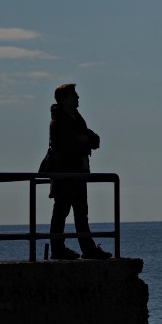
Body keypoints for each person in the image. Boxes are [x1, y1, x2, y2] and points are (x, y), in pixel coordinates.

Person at [47, 84, 112, 259]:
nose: (78, 97)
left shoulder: (76, 119)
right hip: (65, 172)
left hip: (78, 171)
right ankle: (58, 249)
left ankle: (87, 249)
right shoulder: (59, 121)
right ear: (64, 98)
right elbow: (66, 143)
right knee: (61, 211)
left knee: (81, 212)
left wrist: (84, 139)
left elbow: (94, 140)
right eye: (73, 95)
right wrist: (83, 139)